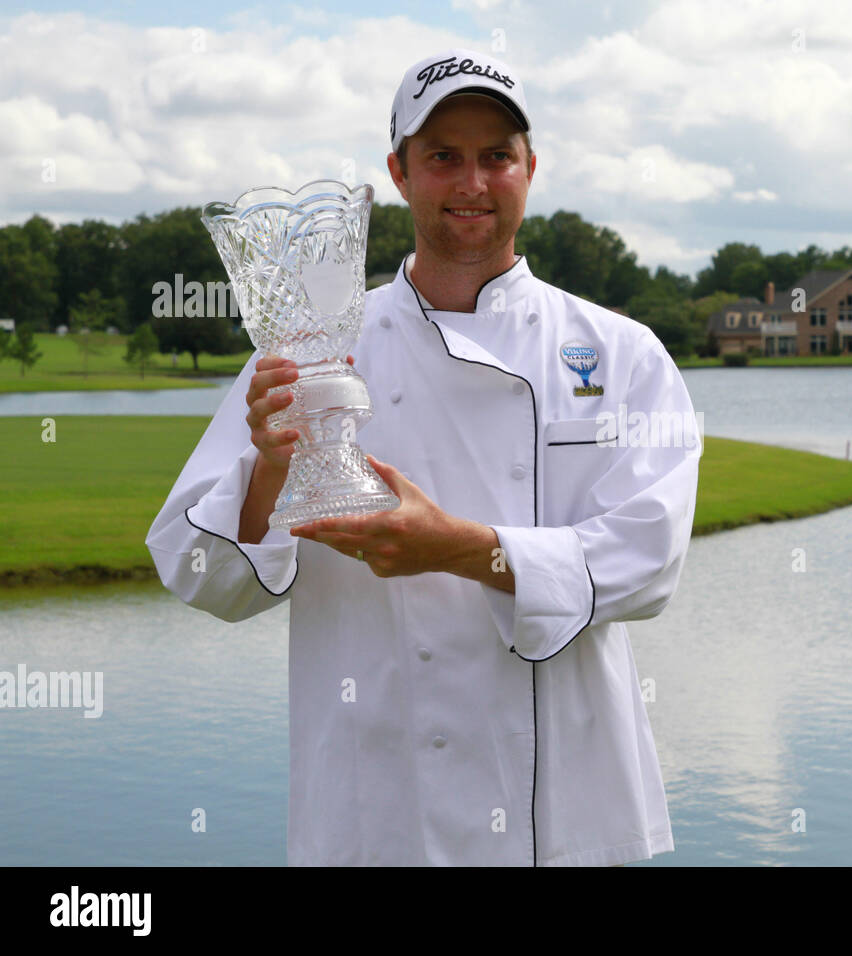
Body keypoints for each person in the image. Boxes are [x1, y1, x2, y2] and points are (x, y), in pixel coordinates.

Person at [146, 48, 701, 866]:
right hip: (379, 808)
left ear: (531, 168)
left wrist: (459, 548)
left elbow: (650, 563)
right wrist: (269, 464)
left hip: (568, 813)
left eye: (495, 157)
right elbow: (199, 575)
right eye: (443, 156)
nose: (472, 183)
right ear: (399, 174)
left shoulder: (621, 353)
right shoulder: (311, 349)